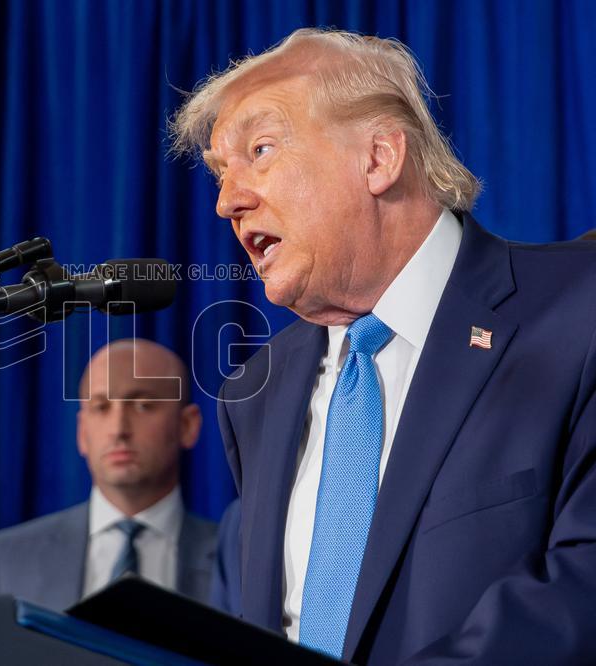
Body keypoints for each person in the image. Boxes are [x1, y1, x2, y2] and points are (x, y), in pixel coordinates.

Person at [171, 28, 596, 664]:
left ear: (379, 158)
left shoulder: (577, 309)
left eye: (260, 150)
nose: (228, 201)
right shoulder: (256, 390)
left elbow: (582, 588)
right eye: (219, 173)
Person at [0, 338, 217, 609]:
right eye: (101, 407)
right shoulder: (8, 559)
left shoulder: (239, 559)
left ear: (188, 426)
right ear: (82, 432)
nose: (118, 429)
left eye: (143, 405)